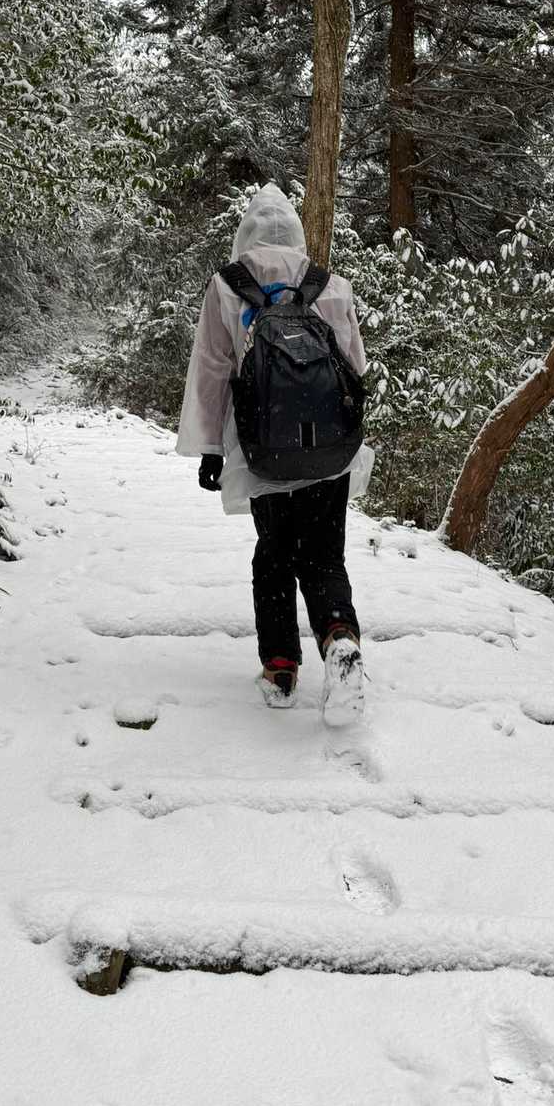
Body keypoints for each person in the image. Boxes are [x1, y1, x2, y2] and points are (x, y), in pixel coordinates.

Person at [176, 184, 374, 743]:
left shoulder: (228, 284)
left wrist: (210, 448)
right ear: (297, 234)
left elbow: (212, 368)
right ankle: (339, 637)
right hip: (329, 451)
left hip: (263, 447)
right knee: (325, 555)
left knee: (275, 555)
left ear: (246, 234)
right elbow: (354, 366)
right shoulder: (329, 283)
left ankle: (281, 669)